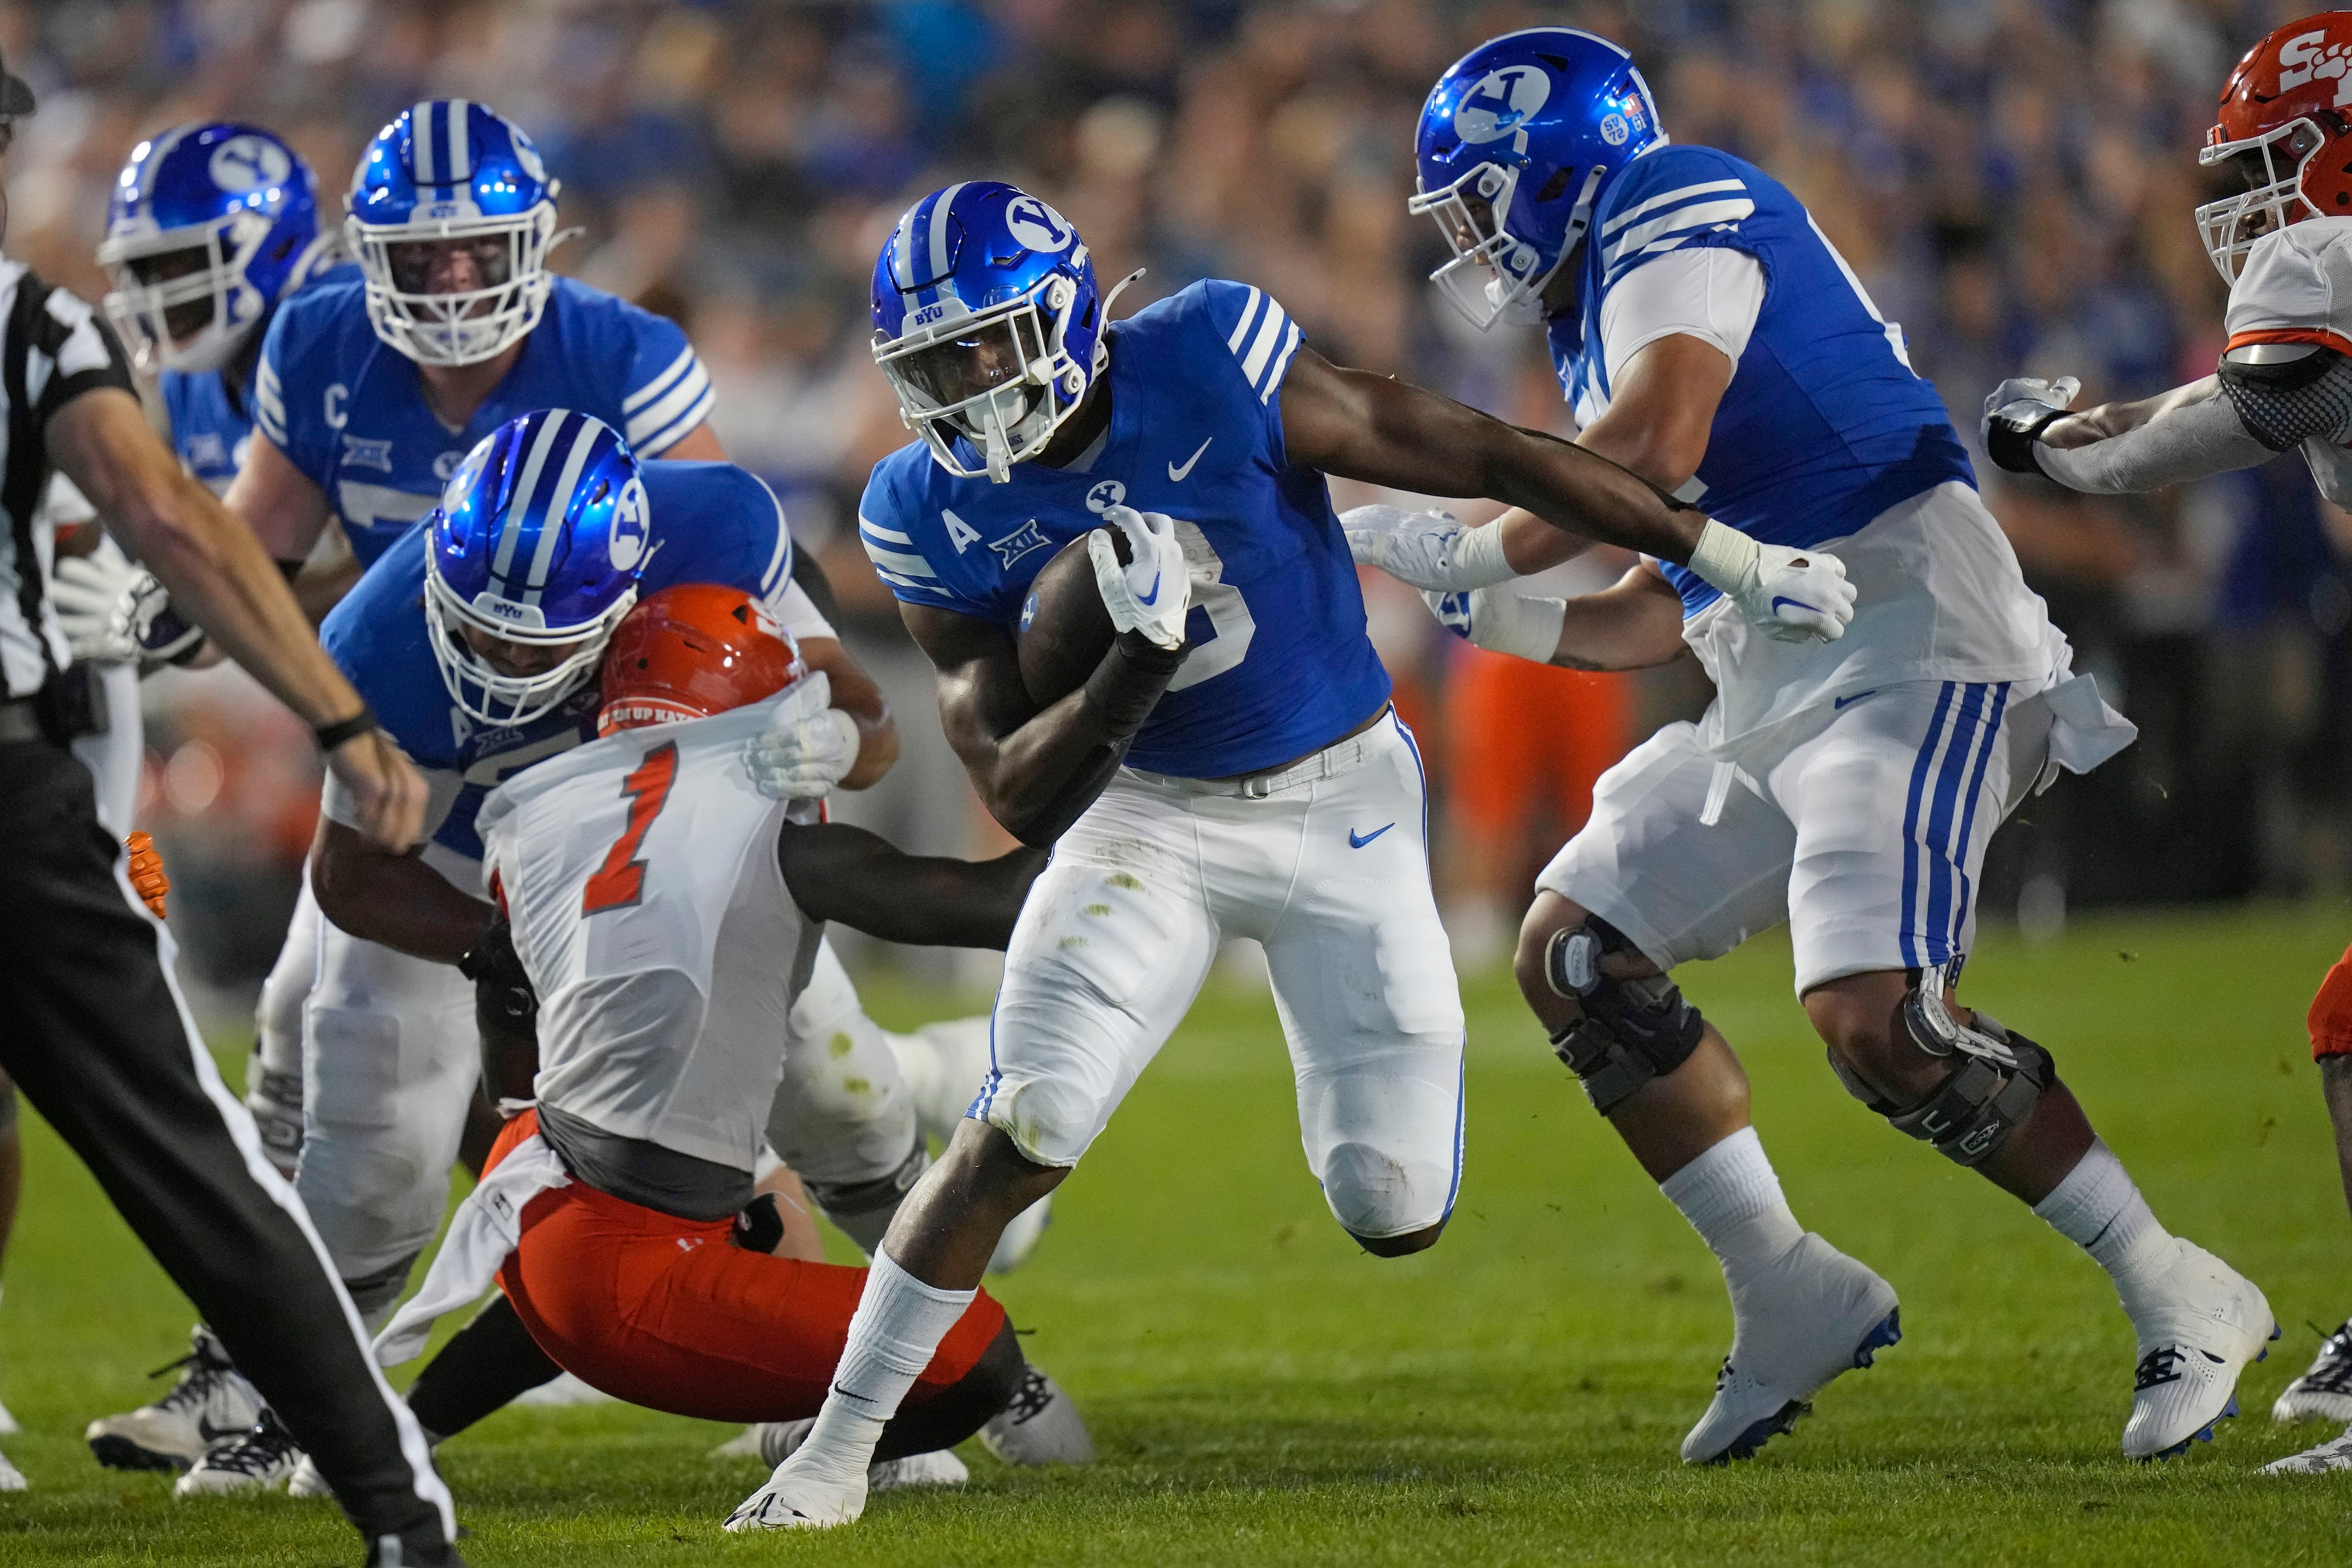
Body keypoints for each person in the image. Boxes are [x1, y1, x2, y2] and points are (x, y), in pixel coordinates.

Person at [727, 177, 1854, 1530]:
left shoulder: (1207, 356)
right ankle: (841, 1446)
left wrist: (1715, 550)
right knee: (1025, 1126)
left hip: (1347, 804)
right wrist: (1127, 675)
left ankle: (980, 1056)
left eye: (983, 345)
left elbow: (1478, 447)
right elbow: (1015, 783)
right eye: (931, 362)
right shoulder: (925, 504)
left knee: (1395, 1204)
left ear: (1068, 318)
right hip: (1150, 815)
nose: (964, 387)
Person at [1346, 26, 2266, 1467]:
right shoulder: (1596, 302)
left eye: (1481, 199)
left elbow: (1651, 448)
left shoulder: (1675, 200)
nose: (1471, 240)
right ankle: (1785, 1284)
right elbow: (1661, 599)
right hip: (1782, 673)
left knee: (1877, 1015)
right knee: (1574, 949)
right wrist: (1503, 615)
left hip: (1915, 631)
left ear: (1557, 170)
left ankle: (2179, 1281)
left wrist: (1475, 544)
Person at [155, 405, 903, 1497]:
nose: (503, 658)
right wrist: (492, 945)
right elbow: (351, 873)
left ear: (631, 587)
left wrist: (832, 735)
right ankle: (297, 1408)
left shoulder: (713, 529)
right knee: (372, 1158)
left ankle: (911, 1386)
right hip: (453, 859)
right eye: (482, 628)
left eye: (535, 639)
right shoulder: (380, 637)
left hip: (664, 845)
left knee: (845, 1098)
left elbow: (871, 727)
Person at [0, 46, 462, 1567]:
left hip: (42, 750)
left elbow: (178, 529)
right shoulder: (31, 326)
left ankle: (366, 1476)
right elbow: (170, 519)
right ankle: (397, 1507)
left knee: (225, 1122)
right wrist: (335, 716)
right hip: (22, 769)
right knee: (196, 1151)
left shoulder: (142, 331)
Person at [354, 583, 1087, 1499]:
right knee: (973, 1352)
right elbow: (1001, 907)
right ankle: (818, 1434)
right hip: (619, 1268)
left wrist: (520, 1110)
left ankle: (402, 1425)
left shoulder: (541, 814)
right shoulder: (766, 836)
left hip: (535, 1175)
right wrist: (1123, 724)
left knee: (742, 1211)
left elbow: (504, 985)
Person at [1976, 11, 2352, 1475]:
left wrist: (2061, 447)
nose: (2254, 214)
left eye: (2275, 169)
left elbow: (2264, 397)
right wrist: (2070, 446)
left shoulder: (2326, 263)